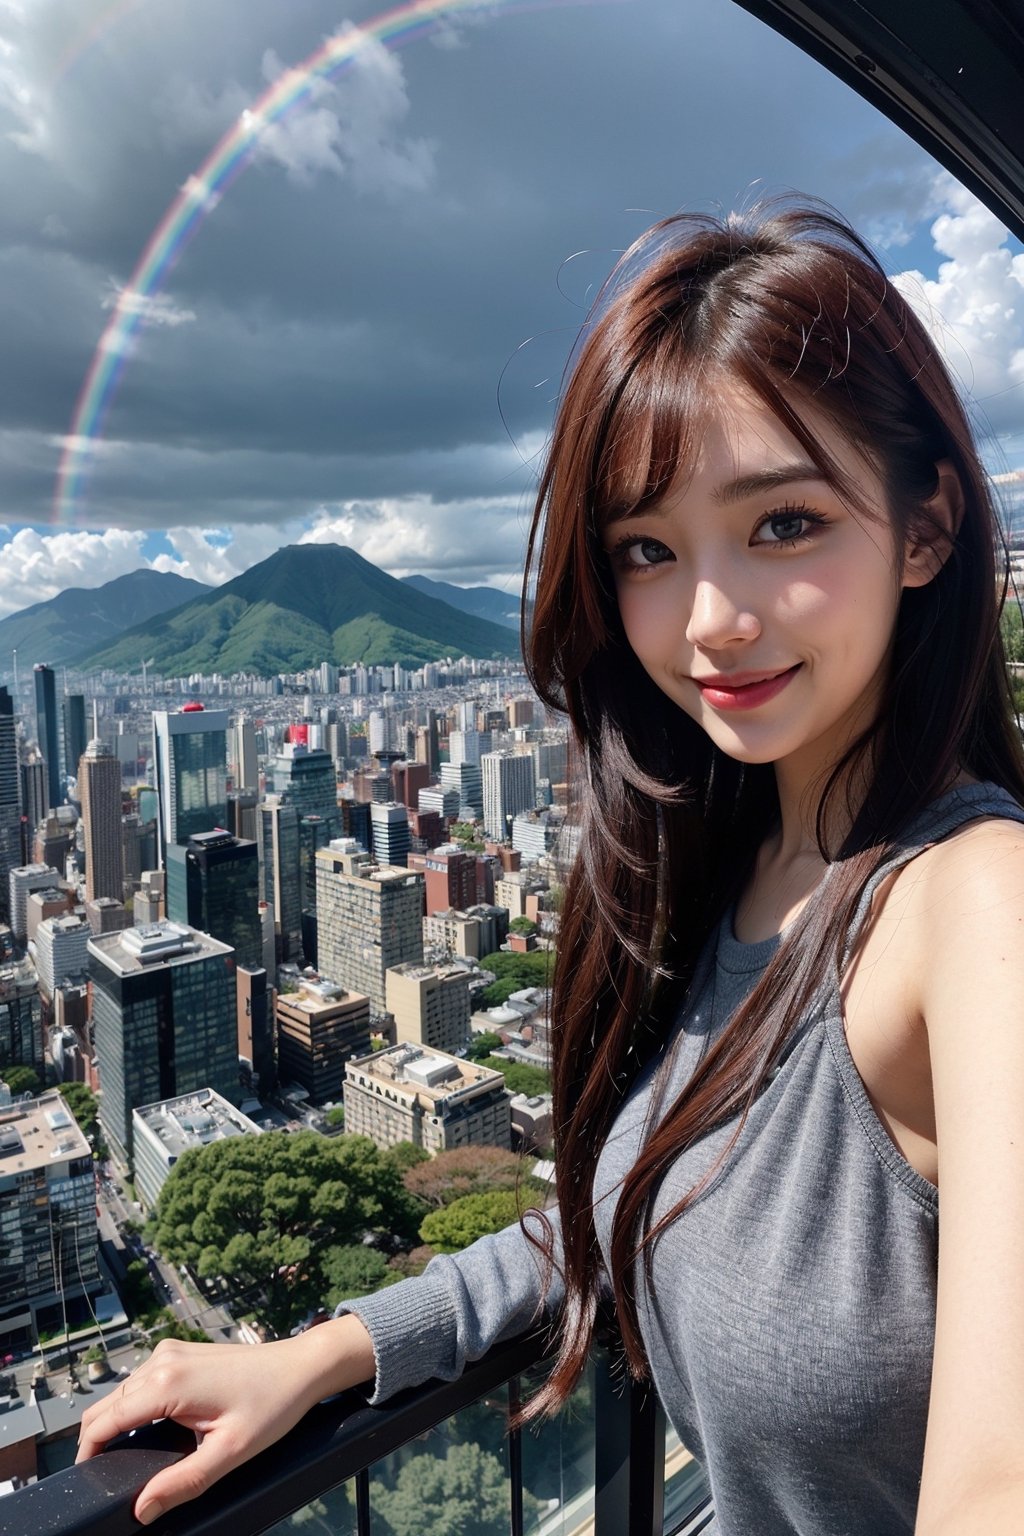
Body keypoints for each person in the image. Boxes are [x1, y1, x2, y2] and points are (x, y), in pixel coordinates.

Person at [78, 203, 1024, 1535]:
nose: (710, 619)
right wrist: (329, 1349)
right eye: (649, 549)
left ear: (926, 530)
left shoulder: (980, 907)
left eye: (786, 524)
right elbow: (637, 1201)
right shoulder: (742, 869)